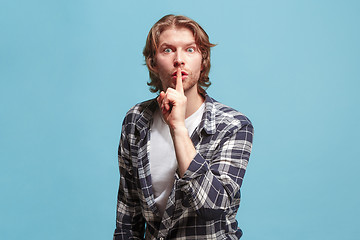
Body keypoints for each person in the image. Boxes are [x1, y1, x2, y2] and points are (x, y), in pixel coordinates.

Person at [113, 14, 254, 240]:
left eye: (190, 50)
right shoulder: (136, 120)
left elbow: (212, 208)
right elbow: (128, 216)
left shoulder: (233, 125)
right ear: (153, 62)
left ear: (203, 59)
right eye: (168, 50)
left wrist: (178, 127)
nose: (179, 60)